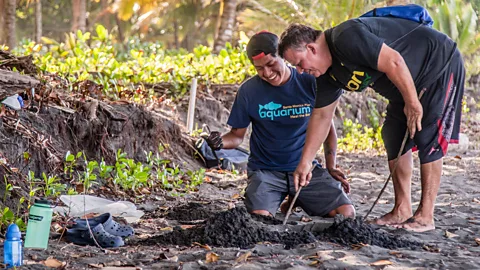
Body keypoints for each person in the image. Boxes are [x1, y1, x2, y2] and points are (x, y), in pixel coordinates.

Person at [277, 15, 465, 232]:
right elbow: (321, 117)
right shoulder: (325, 75)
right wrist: (305, 163)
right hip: (403, 86)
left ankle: (425, 216)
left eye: (299, 63)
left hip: (438, 65)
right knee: (393, 135)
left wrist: (413, 103)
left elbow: (394, 61)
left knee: (427, 134)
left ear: (311, 48)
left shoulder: (345, 37)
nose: (299, 70)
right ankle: (401, 210)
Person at [205, 31, 355, 218]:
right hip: (266, 172)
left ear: (283, 57)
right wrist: (219, 141)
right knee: (260, 217)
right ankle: (287, 197)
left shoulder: (309, 80)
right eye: (259, 68)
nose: (267, 73)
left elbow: (327, 127)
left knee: (346, 214)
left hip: (305, 170)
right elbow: (236, 137)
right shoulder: (248, 91)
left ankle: (298, 197)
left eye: (270, 64)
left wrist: (331, 166)